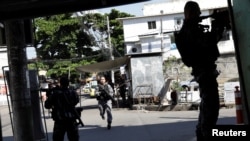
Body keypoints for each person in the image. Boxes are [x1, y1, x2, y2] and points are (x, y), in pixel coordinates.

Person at [175, 1, 224, 141]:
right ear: (191, 13)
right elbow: (208, 44)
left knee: (207, 108)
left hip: (203, 73)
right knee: (211, 110)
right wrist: (218, 27)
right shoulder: (190, 31)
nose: (200, 14)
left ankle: (201, 134)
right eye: (197, 11)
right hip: (205, 73)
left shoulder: (188, 30)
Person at [44, 76, 80, 141]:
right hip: (71, 119)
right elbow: (76, 101)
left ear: (60, 83)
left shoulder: (56, 94)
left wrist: (49, 95)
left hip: (60, 120)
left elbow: (47, 105)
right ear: (68, 83)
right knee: (74, 138)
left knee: (58, 139)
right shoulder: (73, 93)